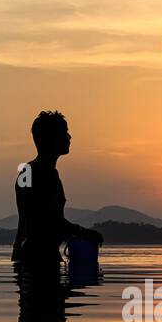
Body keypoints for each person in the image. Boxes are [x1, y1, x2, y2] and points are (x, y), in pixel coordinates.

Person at [12, 110, 103, 266]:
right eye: (64, 132)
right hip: (42, 258)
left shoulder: (26, 171)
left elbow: (27, 222)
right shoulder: (45, 174)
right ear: (50, 139)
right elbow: (50, 220)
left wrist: (17, 255)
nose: (69, 137)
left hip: (25, 255)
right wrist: (85, 233)